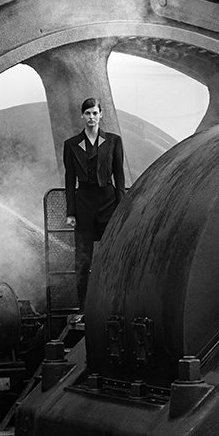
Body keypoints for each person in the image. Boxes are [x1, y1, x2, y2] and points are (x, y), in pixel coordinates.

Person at [63, 97, 125, 311]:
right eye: (87, 113)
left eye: (95, 113)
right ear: (82, 116)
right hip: (84, 205)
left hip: (108, 202)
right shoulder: (71, 144)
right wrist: (71, 212)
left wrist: (122, 207)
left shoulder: (114, 141)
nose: (91, 117)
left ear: (101, 115)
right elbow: (69, 180)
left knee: (113, 255)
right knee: (82, 260)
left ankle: (112, 305)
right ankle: (84, 309)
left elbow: (119, 175)